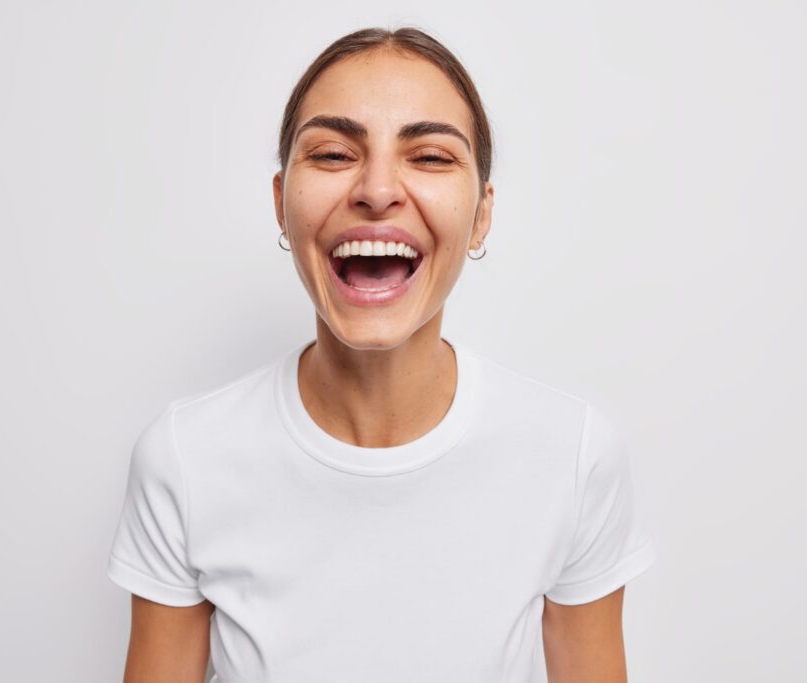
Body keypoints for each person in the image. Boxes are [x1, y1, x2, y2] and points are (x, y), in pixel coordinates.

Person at [106, 25, 657, 683]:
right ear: (281, 204)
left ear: (481, 214)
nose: (376, 189)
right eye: (335, 154)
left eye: (429, 157)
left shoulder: (572, 453)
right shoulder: (185, 456)